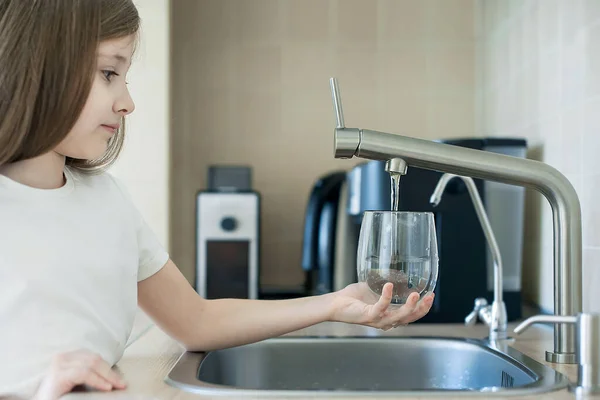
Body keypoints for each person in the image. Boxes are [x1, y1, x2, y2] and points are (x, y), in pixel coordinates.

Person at [0, 1, 435, 399]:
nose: (128, 102)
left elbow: (196, 321)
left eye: (125, 77)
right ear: (41, 66)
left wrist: (335, 304)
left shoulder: (108, 203)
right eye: (109, 73)